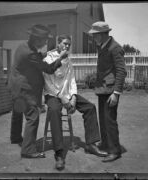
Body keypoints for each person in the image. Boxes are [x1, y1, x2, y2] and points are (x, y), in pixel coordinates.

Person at [43, 34, 108, 170]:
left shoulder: (69, 61)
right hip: (53, 95)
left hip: (68, 94)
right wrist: (62, 98)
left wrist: (73, 96)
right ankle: (59, 154)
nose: (67, 46)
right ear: (58, 43)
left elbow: (72, 80)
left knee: (90, 107)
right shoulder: (48, 59)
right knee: (54, 111)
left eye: (69, 44)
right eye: (65, 44)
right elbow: (48, 83)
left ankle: (90, 144)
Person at [8, 24, 69, 159]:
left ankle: (15, 137)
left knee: (18, 111)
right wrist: (60, 58)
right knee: (33, 114)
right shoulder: (30, 53)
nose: (46, 42)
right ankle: (28, 150)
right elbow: (48, 68)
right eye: (44, 40)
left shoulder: (24, 46)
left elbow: (37, 55)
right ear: (37, 39)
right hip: (23, 88)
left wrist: (51, 51)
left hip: (15, 86)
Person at [88, 21, 127, 162]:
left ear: (103, 34)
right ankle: (105, 144)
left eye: (95, 35)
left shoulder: (115, 48)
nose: (93, 37)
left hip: (111, 91)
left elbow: (121, 71)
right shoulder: (102, 46)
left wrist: (116, 93)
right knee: (103, 120)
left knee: (110, 121)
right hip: (103, 89)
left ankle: (115, 151)